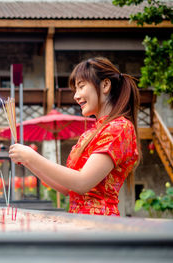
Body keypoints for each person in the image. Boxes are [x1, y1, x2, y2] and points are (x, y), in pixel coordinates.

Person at [9, 57, 141, 216]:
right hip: (79, 222)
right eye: (75, 90)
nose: (76, 96)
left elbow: (82, 182)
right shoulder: (91, 133)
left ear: (105, 85)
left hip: (100, 225)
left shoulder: (119, 128)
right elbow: (67, 188)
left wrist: (33, 156)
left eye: (81, 87)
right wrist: (28, 161)